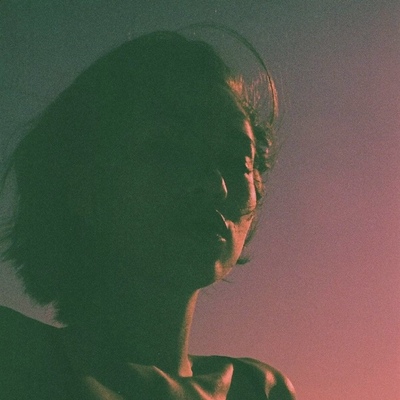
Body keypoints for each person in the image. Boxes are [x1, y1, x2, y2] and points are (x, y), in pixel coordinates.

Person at [0, 30, 296, 399]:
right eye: (169, 150)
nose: (214, 186)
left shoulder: (258, 389)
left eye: (237, 160)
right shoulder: (16, 359)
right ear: (83, 184)